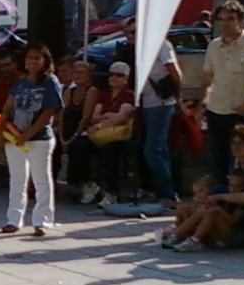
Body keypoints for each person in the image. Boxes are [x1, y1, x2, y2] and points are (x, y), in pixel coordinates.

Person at [199, 0, 244, 181]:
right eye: (221, 19)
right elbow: (207, 79)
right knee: (215, 164)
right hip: (215, 111)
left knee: (239, 166)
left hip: (239, 114)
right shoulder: (214, 46)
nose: (225, 23)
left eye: (230, 18)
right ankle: (218, 205)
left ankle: (239, 206)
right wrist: (202, 105)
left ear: (240, 20)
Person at [0, 43, 62, 236]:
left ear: (45, 61)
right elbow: (8, 107)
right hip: (14, 135)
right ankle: (13, 219)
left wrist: (28, 134)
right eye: (29, 58)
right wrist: (0, 131)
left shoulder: (50, 81)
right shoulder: (20, 82)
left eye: (37, 58)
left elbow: (49, 111)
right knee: (17, 179)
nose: (32, 62)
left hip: (39, 138)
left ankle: (42, 220)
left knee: (41, 179)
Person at [122, 17, 181, 205]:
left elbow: (176, 73)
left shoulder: (161, 45)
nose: (129, 36)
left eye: (133, 32)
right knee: (159, 149)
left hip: (162, 102)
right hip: (147, 102)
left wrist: (177, 98)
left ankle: (168, 194)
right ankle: (162, 190)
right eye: (127, 33)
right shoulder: (138, 50)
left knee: (152, 150)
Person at [65, 61, 135, 206]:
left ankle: (111, 193)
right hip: (100, 133)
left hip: (118, 136)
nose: (114, 77)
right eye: (111, 74)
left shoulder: (128, 94)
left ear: (126, 78)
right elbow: (94, 116)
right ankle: (89, 184)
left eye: (119, 75)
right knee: (78, 146)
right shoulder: (105, 94)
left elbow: (121, 117)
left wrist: (102, 122)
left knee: (110, 151)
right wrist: (108, 116)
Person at [59, 60, 101, 201]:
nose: (77, 75)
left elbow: (86, 117)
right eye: (75, 71)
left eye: (81, 72)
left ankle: (80, 184)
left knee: (78, 147)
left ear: (89, 75)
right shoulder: (69, 92)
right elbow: (62, 115)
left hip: (83, 131)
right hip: (67, 131)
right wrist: (61, 137)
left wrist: (71, 138)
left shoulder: (92, 91)